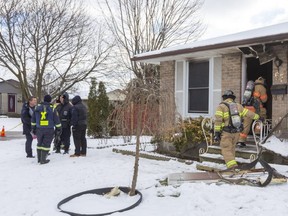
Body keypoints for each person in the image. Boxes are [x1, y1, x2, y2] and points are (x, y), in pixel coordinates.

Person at [214, 90, 259, 169]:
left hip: (226, 132)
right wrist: (259, 117)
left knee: (226, 149)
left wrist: (217, 133)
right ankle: (232, 164)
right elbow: (249, 113)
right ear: (232, 98)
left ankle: (232, 166)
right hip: (237, 133)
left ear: (224, 98)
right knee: (232, 148)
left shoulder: (221, 106)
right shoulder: (239, 106)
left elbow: (218, 121)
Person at [31, 95, 62, 164]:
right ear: (50, 100)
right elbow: (56, 120)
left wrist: (33, 128)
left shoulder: (37, 107)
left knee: (39, 143)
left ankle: (39, 159)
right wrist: (59, 128)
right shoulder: (52, 109)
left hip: (39, 129)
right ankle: (43, 160)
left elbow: (33, 119)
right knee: (46, 144)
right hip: (49, 129)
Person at [237, 77, 267, 147]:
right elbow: (264, 99)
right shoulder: (261, 87)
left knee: (246, 125)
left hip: (247, 108)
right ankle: (258, 134)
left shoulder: (250, 86)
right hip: (256, 108)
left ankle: (241, 141)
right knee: (261, 118)